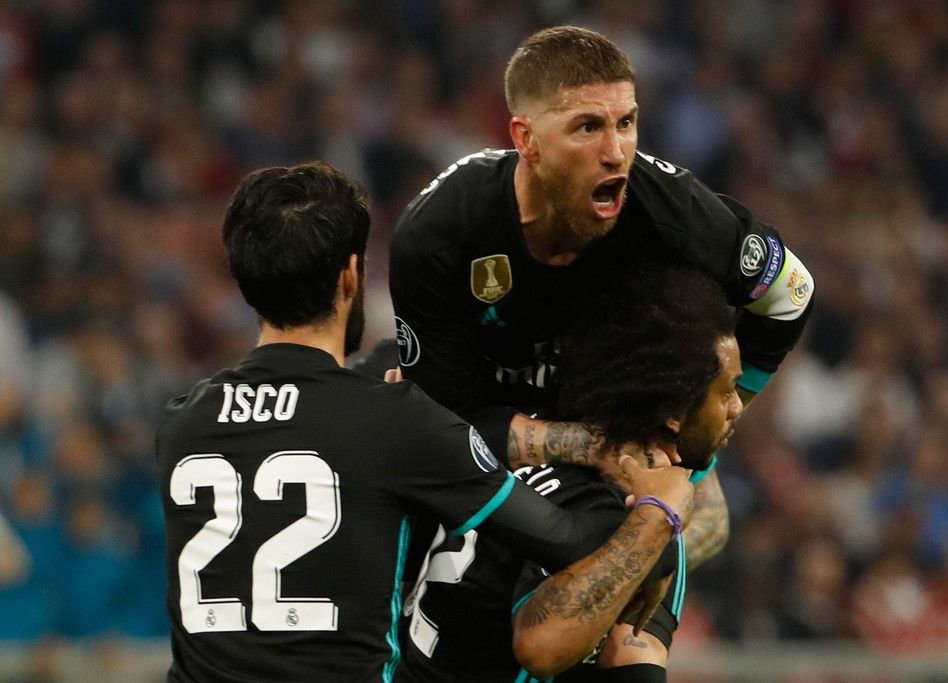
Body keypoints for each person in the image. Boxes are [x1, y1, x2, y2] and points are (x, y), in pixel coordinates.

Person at [156, 161, 693, 683]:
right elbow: (568, 539)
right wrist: (660, 510)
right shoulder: (392, 419)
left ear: (245, 279)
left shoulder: (181, 422)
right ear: (351, 275)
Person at [389, 25, 813, 567]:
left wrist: (699, 438)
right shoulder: (440, 235)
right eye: (588, 127)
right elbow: (444, 428)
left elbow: (791, 294)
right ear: (526, 140)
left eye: (626, 123)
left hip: (621, 426)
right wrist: (594, 446)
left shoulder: (672, 210)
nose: (616, 154)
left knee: (665, 547)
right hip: (495, 427)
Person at [397, 264, 743, 682]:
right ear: (674, 412)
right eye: (726, 392)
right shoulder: (608, 505)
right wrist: (659, 520)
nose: (737, 407)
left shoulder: (534, 427)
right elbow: (541, 647)